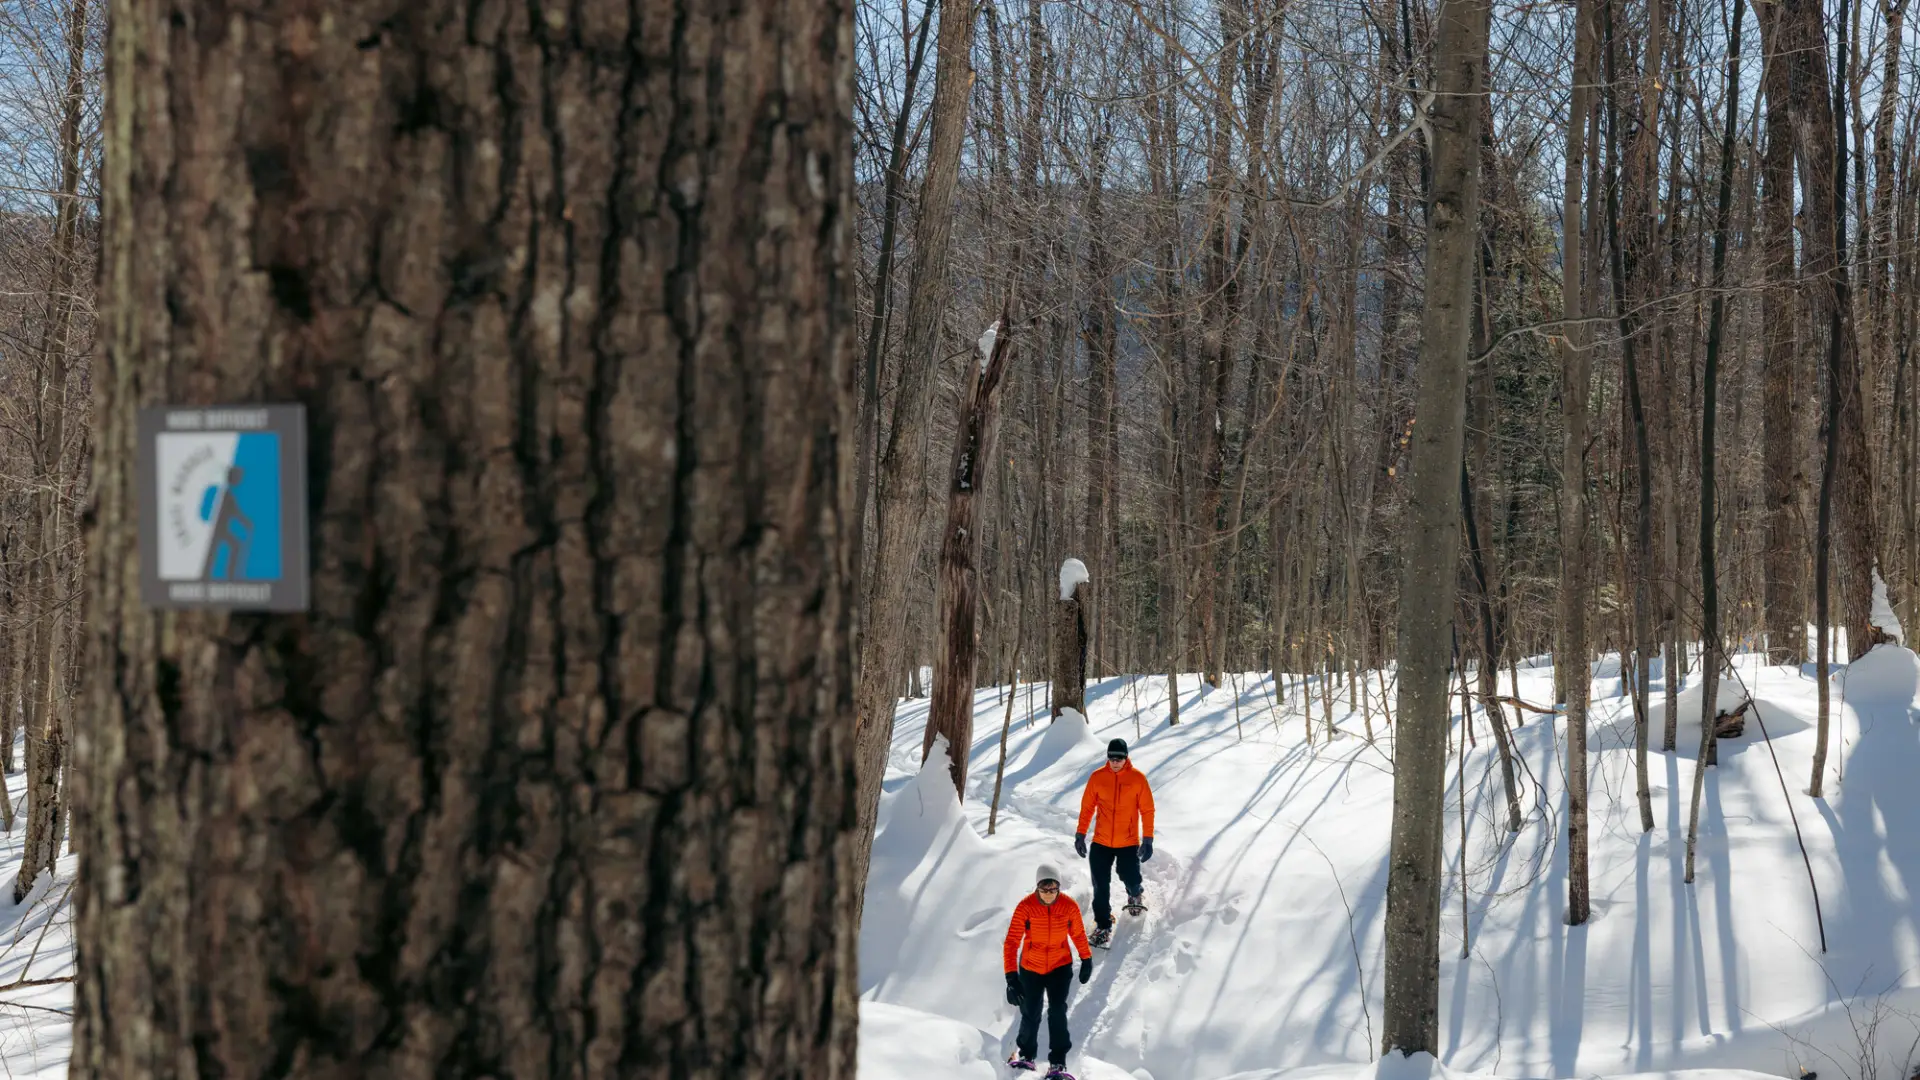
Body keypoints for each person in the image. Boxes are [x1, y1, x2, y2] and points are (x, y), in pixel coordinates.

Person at [1002, 863, 1092, 1078]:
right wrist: (1011, 977)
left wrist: (1086, 958)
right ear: (1037, 888)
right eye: (1044, 889)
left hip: (1059, 966)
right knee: (1030, 1012)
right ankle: (1026, 1056)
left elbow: (1078, 934)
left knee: (1057, 1011)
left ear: (1059, 888)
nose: (1049, 894)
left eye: (1053, 889)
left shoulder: (1068, 906)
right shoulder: (1026, 907)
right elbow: (1012, 942)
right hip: (1031, 968)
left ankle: (1058, 1062)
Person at [1074, 737, 1154, 948]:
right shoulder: (1097, 778)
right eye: (1112, 758)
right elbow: (1087, 807)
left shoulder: (1138, 779)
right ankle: (1103, 924)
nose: (1115, 762)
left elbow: (1147, 810)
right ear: (1107, 757)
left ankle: (1135, 894)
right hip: (1101, 841)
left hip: (1127, 841)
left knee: (1129, 875)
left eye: (1119, 758)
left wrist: (1147, 838)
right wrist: (1080, 834)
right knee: (1100, 885)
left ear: (1126, 757)